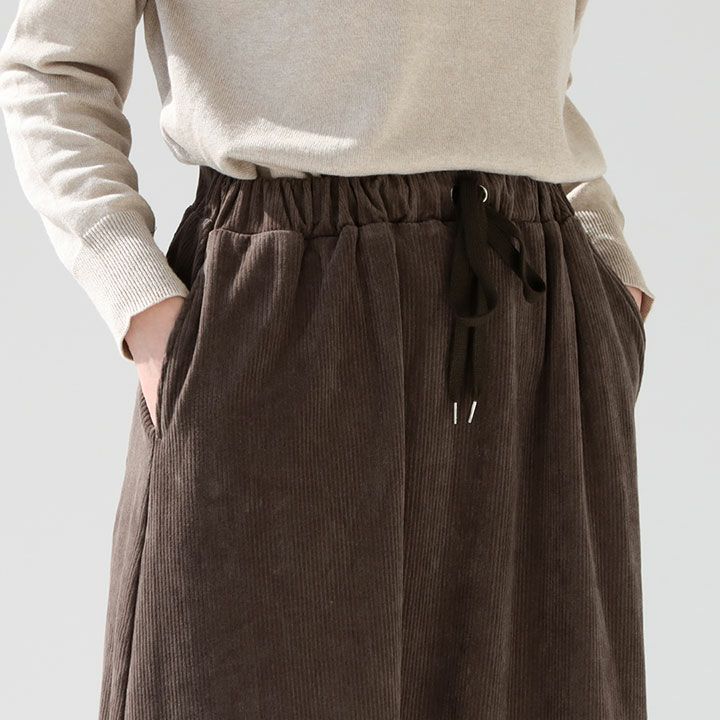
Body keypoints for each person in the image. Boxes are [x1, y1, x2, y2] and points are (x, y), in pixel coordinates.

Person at [0, 2, 654, 718]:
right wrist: (139, 298)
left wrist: (607, 267)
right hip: (281, 310)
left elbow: (530, 76)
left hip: (526, 314)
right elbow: (52, 66)